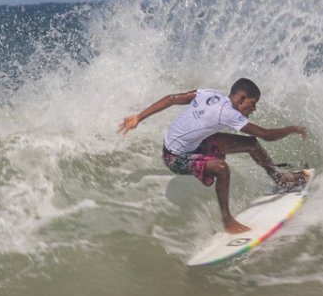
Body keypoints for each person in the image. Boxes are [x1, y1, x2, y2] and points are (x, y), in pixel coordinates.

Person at [118, 78, 308, 234]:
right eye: (252, 104)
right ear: (241, 99)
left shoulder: (211, 93)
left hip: (191, 145)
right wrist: (292, 129)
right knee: (221, 169)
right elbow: (266, 135)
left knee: (251, 144)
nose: (254, 109)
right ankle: (227, 221)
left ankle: (279, 178)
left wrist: (139, 117)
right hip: (175, 157)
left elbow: (172, 98)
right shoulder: (227, 114)